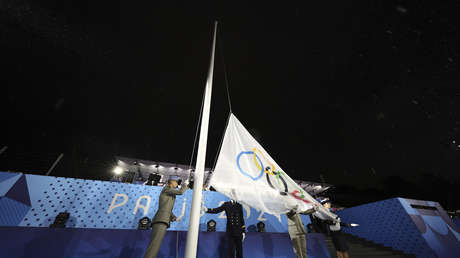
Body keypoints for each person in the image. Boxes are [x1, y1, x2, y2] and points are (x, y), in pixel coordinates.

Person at [143, 175, 188, 258]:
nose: (177, 184)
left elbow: (167, 209)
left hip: (163, 220)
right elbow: (180, 192)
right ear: (171, 181)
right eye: (176, 182)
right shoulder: (166, 189)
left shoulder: (170, 193)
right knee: (154, 245)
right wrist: (185, 185)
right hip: (160, 220)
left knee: (155, 245)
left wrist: (174, 218)